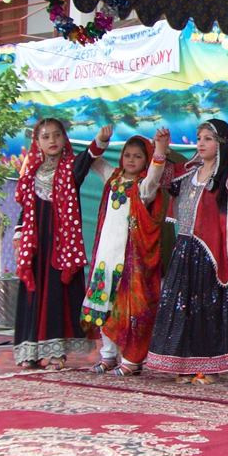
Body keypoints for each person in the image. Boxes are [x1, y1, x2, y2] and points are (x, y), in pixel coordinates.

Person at [147, 119, 228, 384]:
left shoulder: (225, 177)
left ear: (221, 144)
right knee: (181, 308)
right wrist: (160, 149)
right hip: (184, 250)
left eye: (208, 139)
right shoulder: (187, 173)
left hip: (210, 254)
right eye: (199, 138)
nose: (200, 143)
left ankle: (209, 367)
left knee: (207, 309)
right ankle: (184, 365)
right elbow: (160, 179)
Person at [83, 126, 170, 376]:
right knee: (103, 304)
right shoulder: (112, 178)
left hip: (131, 260)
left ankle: (132, 359)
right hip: (105, 258)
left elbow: (154, 177)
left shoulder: (143, 188)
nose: (131, 160)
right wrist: (101, 139)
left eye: (138, 156)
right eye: (127, 155)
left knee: (132, 309)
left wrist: (160, 150)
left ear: (145, 160)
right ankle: (108, 356)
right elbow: (92, 160)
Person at [12, 118, 97, 370]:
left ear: (64, 138)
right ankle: (30, 350)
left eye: (57, 135)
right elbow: (26, 209)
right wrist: (19, 235)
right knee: (32, 293)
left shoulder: (71, 168)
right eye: (46, 136)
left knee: (56, 294)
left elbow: (88, 158)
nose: (52, 140)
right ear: (37, 142)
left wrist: (101, 140)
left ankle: (56, 353)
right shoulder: (31, 173)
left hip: (62, 247)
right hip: (35, 245)